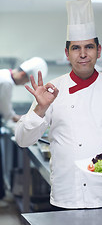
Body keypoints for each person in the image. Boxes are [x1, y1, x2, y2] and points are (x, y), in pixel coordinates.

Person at [15, 0, 102, 210]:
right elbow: (22, 140)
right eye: (76, 48)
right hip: (67, 198)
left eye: (89, 47)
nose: (83, 54)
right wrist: (40, 109)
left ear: (98, 50)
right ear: (67, 53)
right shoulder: (51, 89)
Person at [0, 57, 48, 208]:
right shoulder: (6, 82)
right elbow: (8, 114)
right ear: (22, 75)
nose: (25, 84)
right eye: (26, 81)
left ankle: (1, 195)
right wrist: (28, 118)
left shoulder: (3, 75)